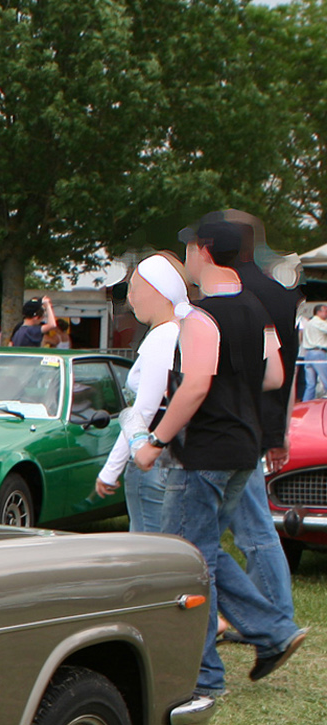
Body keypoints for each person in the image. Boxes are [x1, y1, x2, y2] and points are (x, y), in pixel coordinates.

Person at [133, 214, 305, 695]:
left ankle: (208, 673)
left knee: (188, 561)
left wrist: (155, 443)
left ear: (204, 251)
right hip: (243, 450)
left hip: (203, 452)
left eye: (189, 248)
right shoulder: (255, 308)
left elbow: (193, 386)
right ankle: (270, 633)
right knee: (203, 552)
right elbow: (274, 377)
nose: (186, 255)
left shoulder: (201, 316)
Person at [210, 210, 302, 633]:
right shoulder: (281, 296)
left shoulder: (225, 295)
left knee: (243, 530)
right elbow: (286, 372)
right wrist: (277, 432)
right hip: (260, 424)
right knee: (251, 528)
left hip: (224, 426)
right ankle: (268, 617)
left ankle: (273, 621)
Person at [95, 254, 190, 532]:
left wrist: (110, 470)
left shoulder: (162, 337)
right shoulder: (185, 330)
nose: (130, 299)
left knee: (150, 548)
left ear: (157, 291)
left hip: (152, 460)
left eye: (135, 289)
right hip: (175, 456)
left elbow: (143, 410)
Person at [302, 304, 327, 401]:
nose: (326, 314)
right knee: (326, 380)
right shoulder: (319, 322)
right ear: (319, 312)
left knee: (310, 384)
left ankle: (305, 404)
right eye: (325, 311)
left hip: (308, 354)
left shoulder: (309, 322)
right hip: (318, 353)